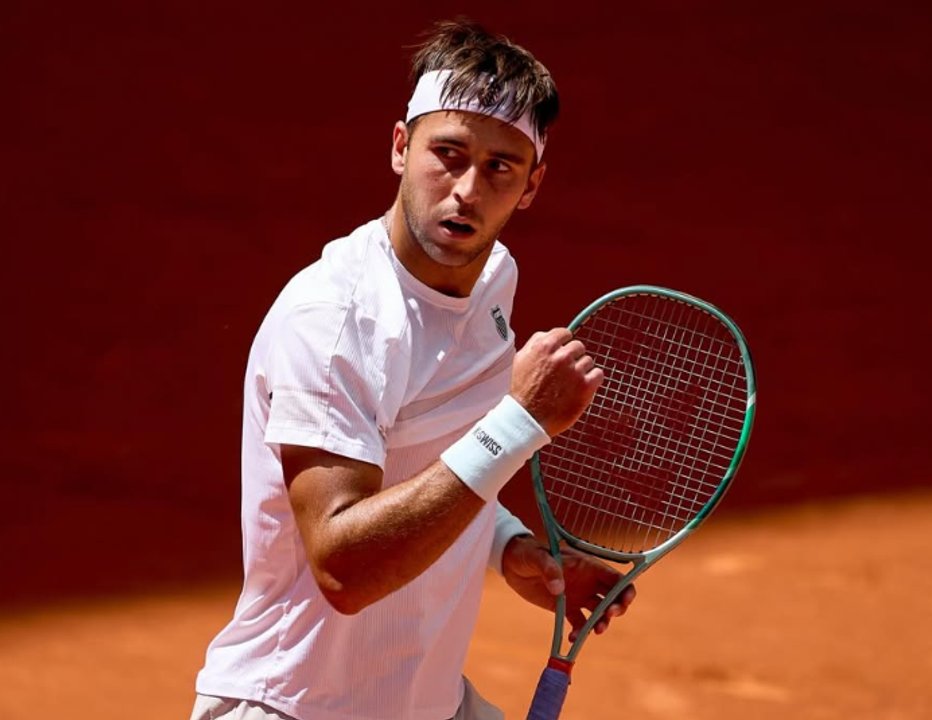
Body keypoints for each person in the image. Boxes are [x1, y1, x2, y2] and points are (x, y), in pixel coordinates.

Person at [192, 19, 636, 720]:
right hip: (298, 708)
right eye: (448, 154)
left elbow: (430, 455)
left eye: (500, 167)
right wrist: (519, 422)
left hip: (425, 703)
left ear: (532, 185)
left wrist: (504, 545)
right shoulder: (336, 321)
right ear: (401, 147)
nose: (466, 189)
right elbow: (344, 566)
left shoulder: (493, 279)